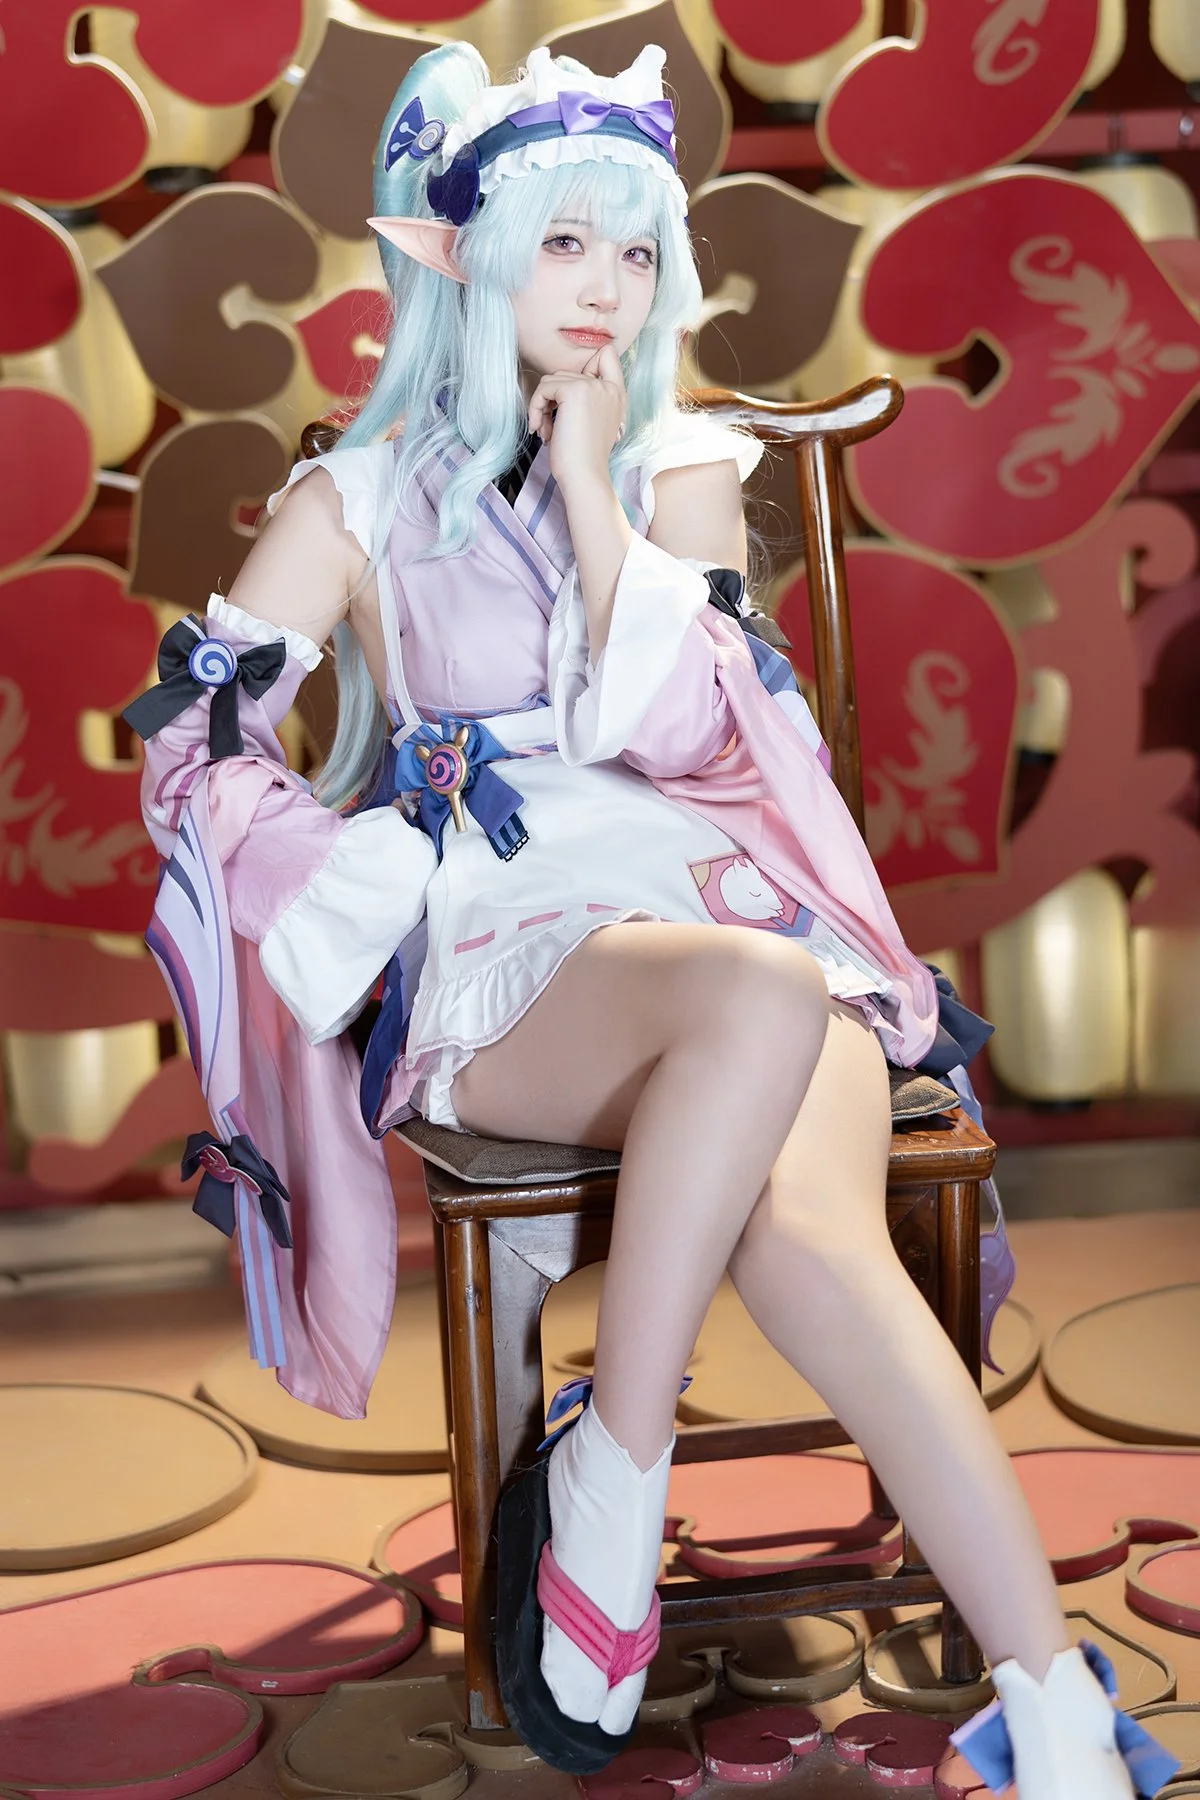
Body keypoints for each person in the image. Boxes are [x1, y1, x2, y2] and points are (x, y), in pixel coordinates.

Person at [124, 39, 1176, 1800]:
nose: (604, 287)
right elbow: (193, 751)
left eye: (633, 249)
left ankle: (1047, 1704)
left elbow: (696, 735)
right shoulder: (354, 502)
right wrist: (335, 871)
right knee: (759, 1001)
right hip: (517, 957)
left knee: (816, 1231)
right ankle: (624, 1480)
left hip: (723, 902)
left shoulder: (675, 464)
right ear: (460, 256)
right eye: (564, 242)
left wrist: (596, 491)